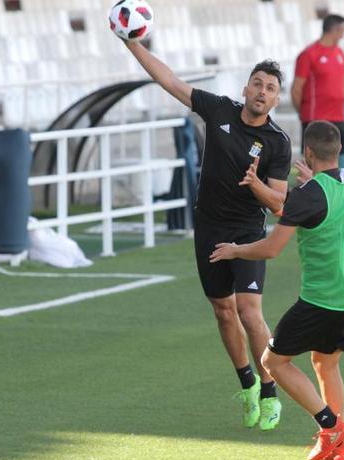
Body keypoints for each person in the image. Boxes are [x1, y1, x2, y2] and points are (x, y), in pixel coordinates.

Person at [119, 37, 290, 430]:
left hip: (247, 230)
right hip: (209, 226)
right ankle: (246, 382)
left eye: (270, 88)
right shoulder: (219, 110)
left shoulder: (278, 142)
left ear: (276, 99)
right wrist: (132, 45)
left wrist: (255, 185)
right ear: (245, 88)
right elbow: (171, 82)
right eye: (258, 84)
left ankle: (268, 389)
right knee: (222, 310)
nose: (262, 92)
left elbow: (278, 203)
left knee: (249, 311)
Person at [210, 121, 344, 460]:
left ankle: (331, 426)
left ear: (308, 153)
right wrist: (311, 190)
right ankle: (336, 447)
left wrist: (236, 250)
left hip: (320, 299)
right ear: (338, 149)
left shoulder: (306, 197)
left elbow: (270, 249)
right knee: (326, 364)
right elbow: (336, 209)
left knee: (273, 361)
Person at [292, 14, 344, 160]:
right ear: (336, 30)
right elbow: (296, 89)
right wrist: (304, 114)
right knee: (312, 164)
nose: (343, 36)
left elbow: (342, 85)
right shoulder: (309, 54)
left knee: (336, 164)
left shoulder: (339, 52)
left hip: (338, 119)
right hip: (316, 119)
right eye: (343, 31)